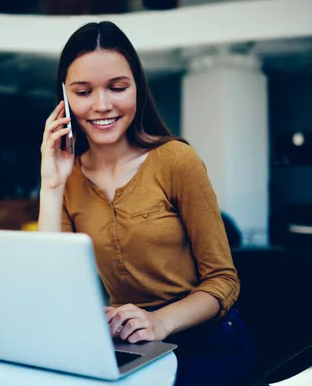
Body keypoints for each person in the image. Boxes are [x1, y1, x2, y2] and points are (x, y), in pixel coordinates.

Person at [38, 21, 257, 386]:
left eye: (117, 87)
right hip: (131, 342)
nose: (101, 105)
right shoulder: (67, 175)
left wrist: (160, 321)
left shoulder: (175, 160)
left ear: (137, 87)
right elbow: (52, 283)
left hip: (208, 343)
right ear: (64, 98)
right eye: (83, 91)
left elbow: (223, 281)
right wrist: (52, 185)